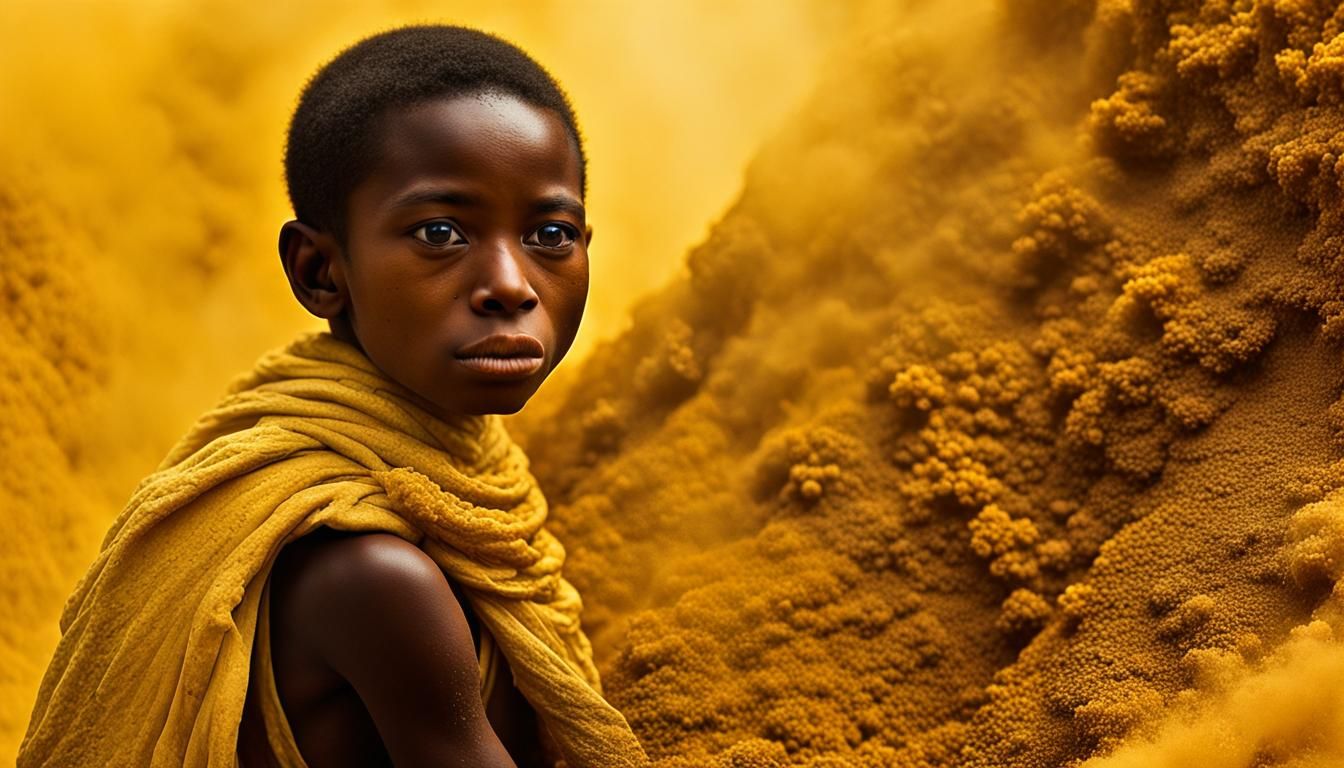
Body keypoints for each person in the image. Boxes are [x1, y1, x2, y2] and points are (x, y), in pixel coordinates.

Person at [18, 24, 648, 768]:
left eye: (550, 233)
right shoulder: (376, 578)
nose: (511, 285)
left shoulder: (465, 477)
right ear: (320, 271)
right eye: (442, 232)